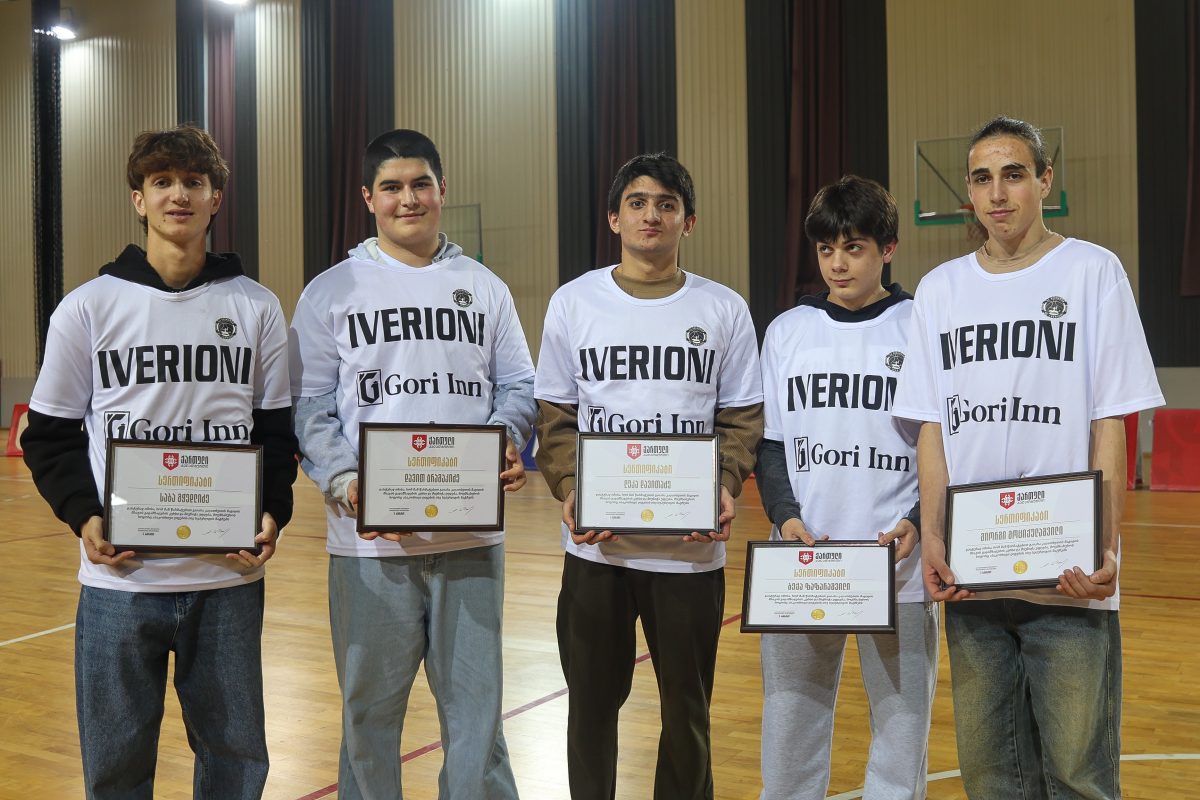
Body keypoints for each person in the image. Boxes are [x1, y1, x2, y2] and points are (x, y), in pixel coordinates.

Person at [21, 124, 298, 799]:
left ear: (215, 199)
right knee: (115, 766)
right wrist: (85, 516)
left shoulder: (257, 306)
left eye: (194, 182)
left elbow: (274, 431)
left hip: (226, 578)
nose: (179, 195)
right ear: (138, 200)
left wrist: (272, 513)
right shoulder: (87, 308)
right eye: (162, 182)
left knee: (235, 760)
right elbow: (48, 435)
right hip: (120, 579)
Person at [892, 116, 1164, 799]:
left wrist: (1107, 546)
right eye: (982, 178)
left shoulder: (1093, 271)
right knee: (992, 778)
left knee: (1077, 777)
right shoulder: (940, 289)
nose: (997, 193)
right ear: (968, 192)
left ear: (1045, 181)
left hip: (1067, 576)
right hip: (974, 578)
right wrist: (933, 535)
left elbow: (1110, 422)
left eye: (1013, 174)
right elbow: (932, 430)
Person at [289, 128, 535, 800]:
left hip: (470, 538)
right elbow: (309, 408)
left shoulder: (484, 287)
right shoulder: (330, 292)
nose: (408, 199)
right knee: (367, 717)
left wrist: (504, 438)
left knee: (477, 716)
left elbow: (518, 386)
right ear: (368, 198)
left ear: (442, 190)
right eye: (392, 187)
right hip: (369, 545)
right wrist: (348, 482)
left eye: (420, 184)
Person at [534, 153, 764, 800]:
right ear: (614, 218)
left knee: (686, 715)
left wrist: (723, 486)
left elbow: (742, 417)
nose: (651, 216)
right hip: (597, 550)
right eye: (637, 203)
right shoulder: (574, 302)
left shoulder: (723, 308)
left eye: (667, 204)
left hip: (688, 553)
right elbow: (555, 415)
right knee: (589, 708)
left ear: (689, 220)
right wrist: (572, 489)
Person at [756, 175, 937, 800]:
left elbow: (944, 442)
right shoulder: (788, 331)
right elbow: (772, 444)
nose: (838, 262)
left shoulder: (920, 326)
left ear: (888, 248)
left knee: (901, 735)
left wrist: (918, 517)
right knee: (790, 729)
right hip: (804, 560)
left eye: (854, 247)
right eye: (826, 248)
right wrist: (785, 515)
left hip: (898, 564)